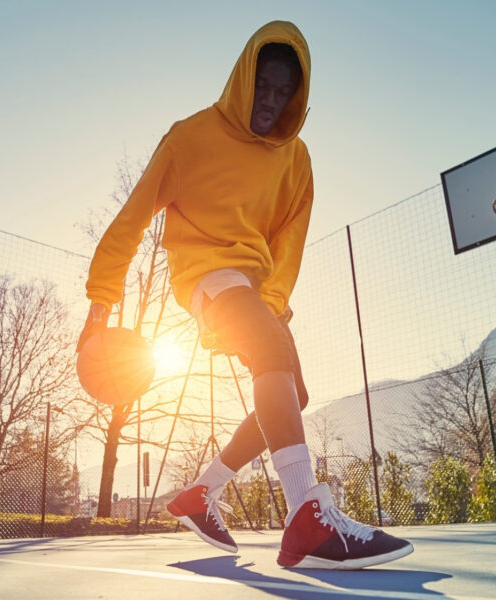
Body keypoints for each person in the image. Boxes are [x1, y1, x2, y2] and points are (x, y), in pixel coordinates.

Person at [79, 20, 412, 570]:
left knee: (291, 395)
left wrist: (274, 305)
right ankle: (307, 512)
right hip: (205, 275)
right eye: (264, 89)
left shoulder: (297, 160)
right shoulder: (189, 138)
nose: (272, 103)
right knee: (271, 357)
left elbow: (290, 242)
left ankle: (200, 493)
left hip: (255, 286)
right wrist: (98, 307)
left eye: (285, 94)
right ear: (243, 80)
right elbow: (130, 222)